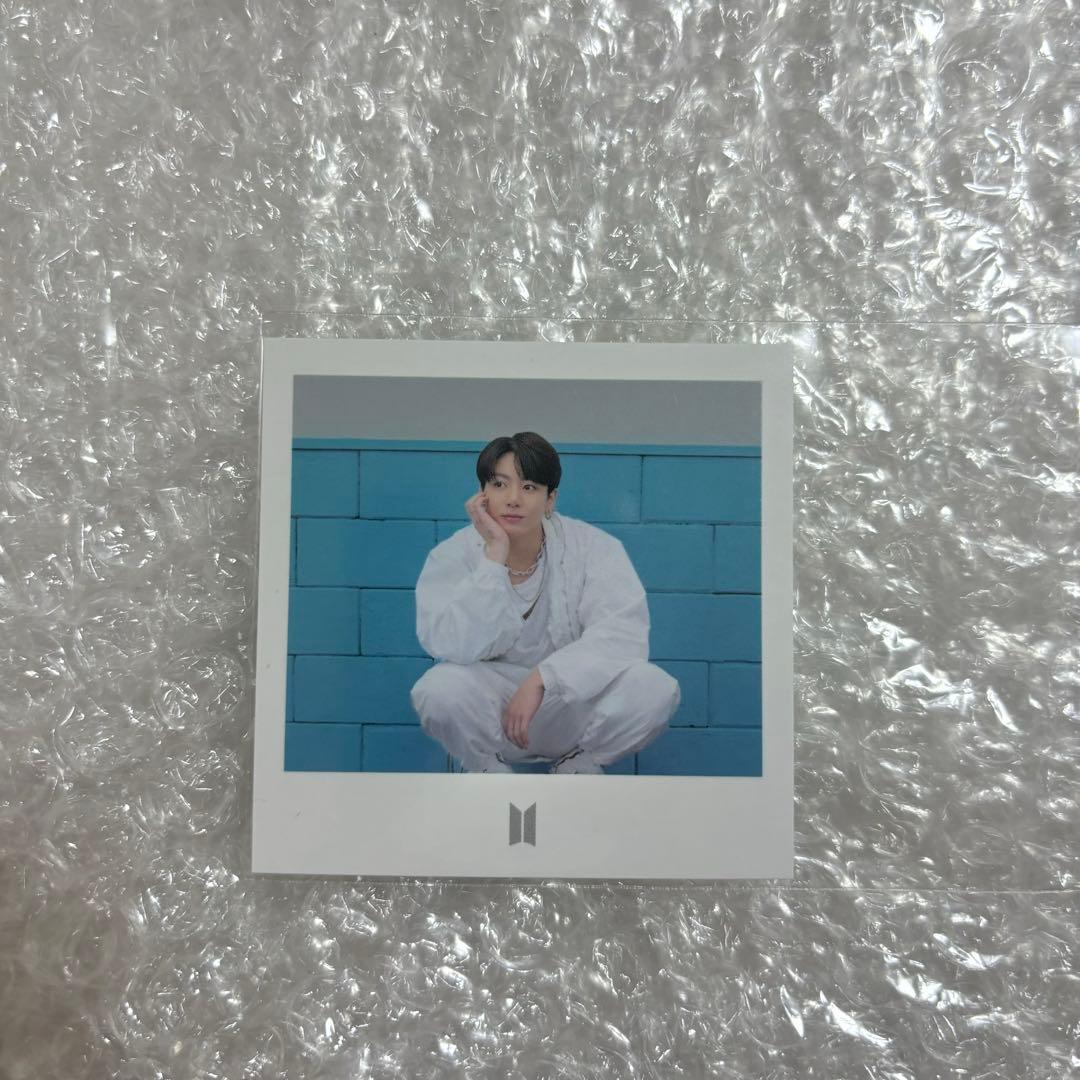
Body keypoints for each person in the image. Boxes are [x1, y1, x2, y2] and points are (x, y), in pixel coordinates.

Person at [410, 432, 680, 774]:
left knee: (654, 687)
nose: (512, 499)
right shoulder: (452, 555)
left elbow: (622, 635)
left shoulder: (593, 548)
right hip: (491, 707)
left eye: (529, 487)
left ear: (550, 499)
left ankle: (578, 766)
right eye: (499, 484)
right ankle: (484, 768)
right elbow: (449, 645)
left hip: (567, 704)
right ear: (482, 494)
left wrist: (543, 678)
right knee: (437, 689)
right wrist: (494, 558)